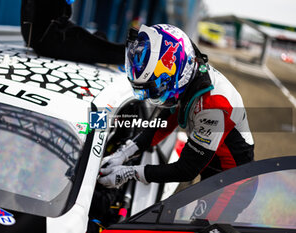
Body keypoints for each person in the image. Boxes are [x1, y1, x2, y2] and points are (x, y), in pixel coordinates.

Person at [98, 24, 254, 189]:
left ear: (179, 72)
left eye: (156, 87)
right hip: (211, 167)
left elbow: (186, 170)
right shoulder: (190, 80)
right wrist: (122, 154)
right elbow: (162, 126)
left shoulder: (212, 106)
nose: (153, 95)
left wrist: (130, 172)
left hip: (233, 182)